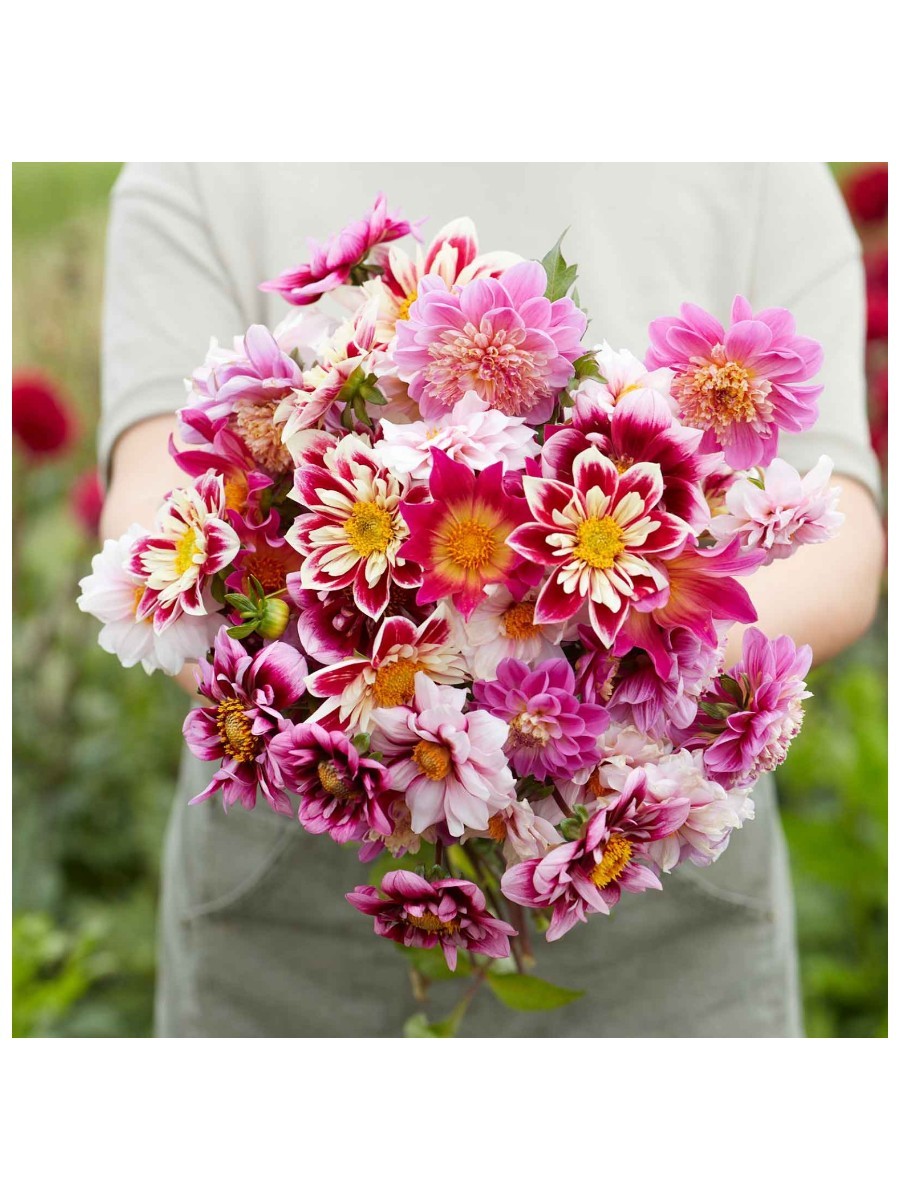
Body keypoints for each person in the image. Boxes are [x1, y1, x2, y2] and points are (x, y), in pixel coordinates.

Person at [100, 163, 884, 1038]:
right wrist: (369, 727)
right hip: (300, 883)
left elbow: (842, 535)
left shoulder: (765, 160)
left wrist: (631, 688)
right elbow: (149, 512)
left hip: (651, 853)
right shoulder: (196, 160)